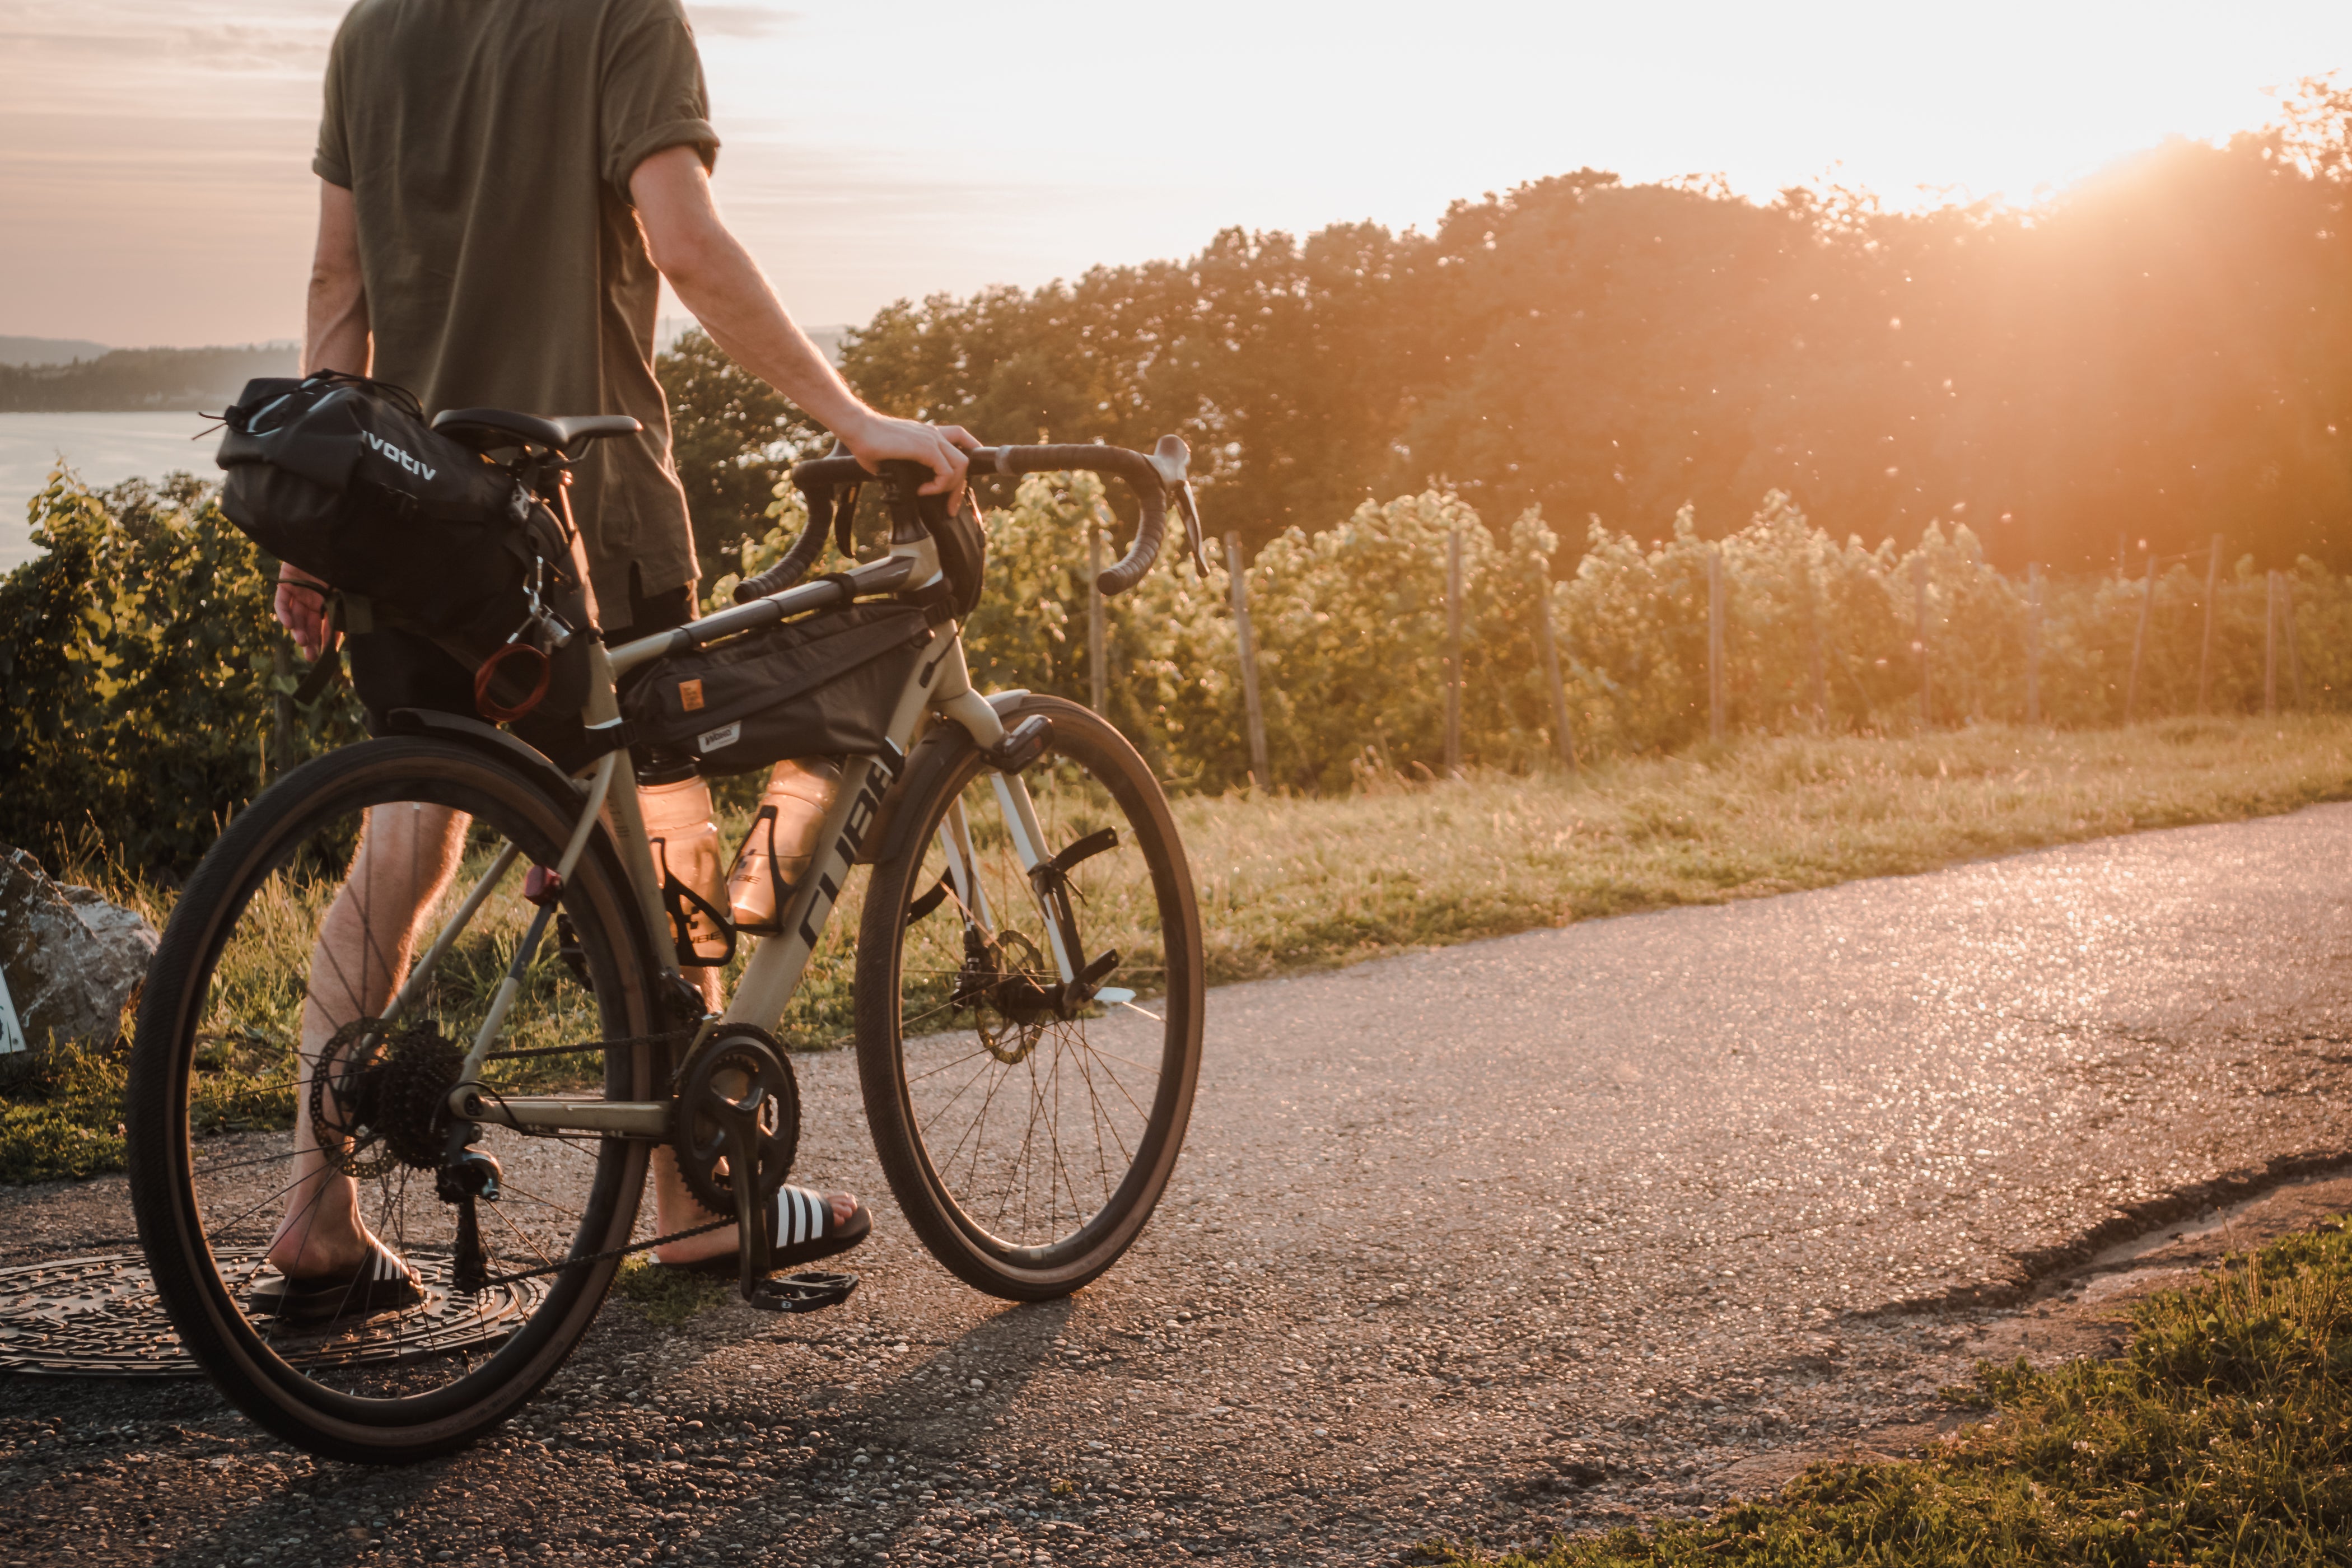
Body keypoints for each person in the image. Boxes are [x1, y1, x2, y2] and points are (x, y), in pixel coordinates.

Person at [258, 0, 973, 1319]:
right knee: (663, 829)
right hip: (583, 509)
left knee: (406, 840)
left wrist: (317, 537)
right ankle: (692, 1205)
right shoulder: (619, 14)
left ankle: (317, 1211)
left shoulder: (374, 29)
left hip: (408, 514)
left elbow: (336, 294)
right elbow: (685, 241)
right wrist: (856, 418)